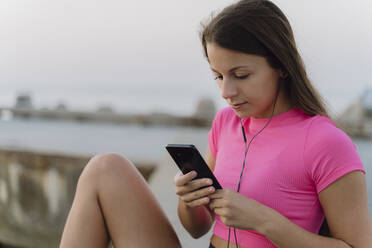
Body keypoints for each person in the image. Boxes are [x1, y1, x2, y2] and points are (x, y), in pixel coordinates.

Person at [59, 0, 372, 247]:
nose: (226, 92)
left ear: (281, 65)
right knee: (105, 168)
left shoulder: (325, 142)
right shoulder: (226, 123)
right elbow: (197, 228)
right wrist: (189, 200)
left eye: (241, 75)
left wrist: (263, 221)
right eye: (218, 76)